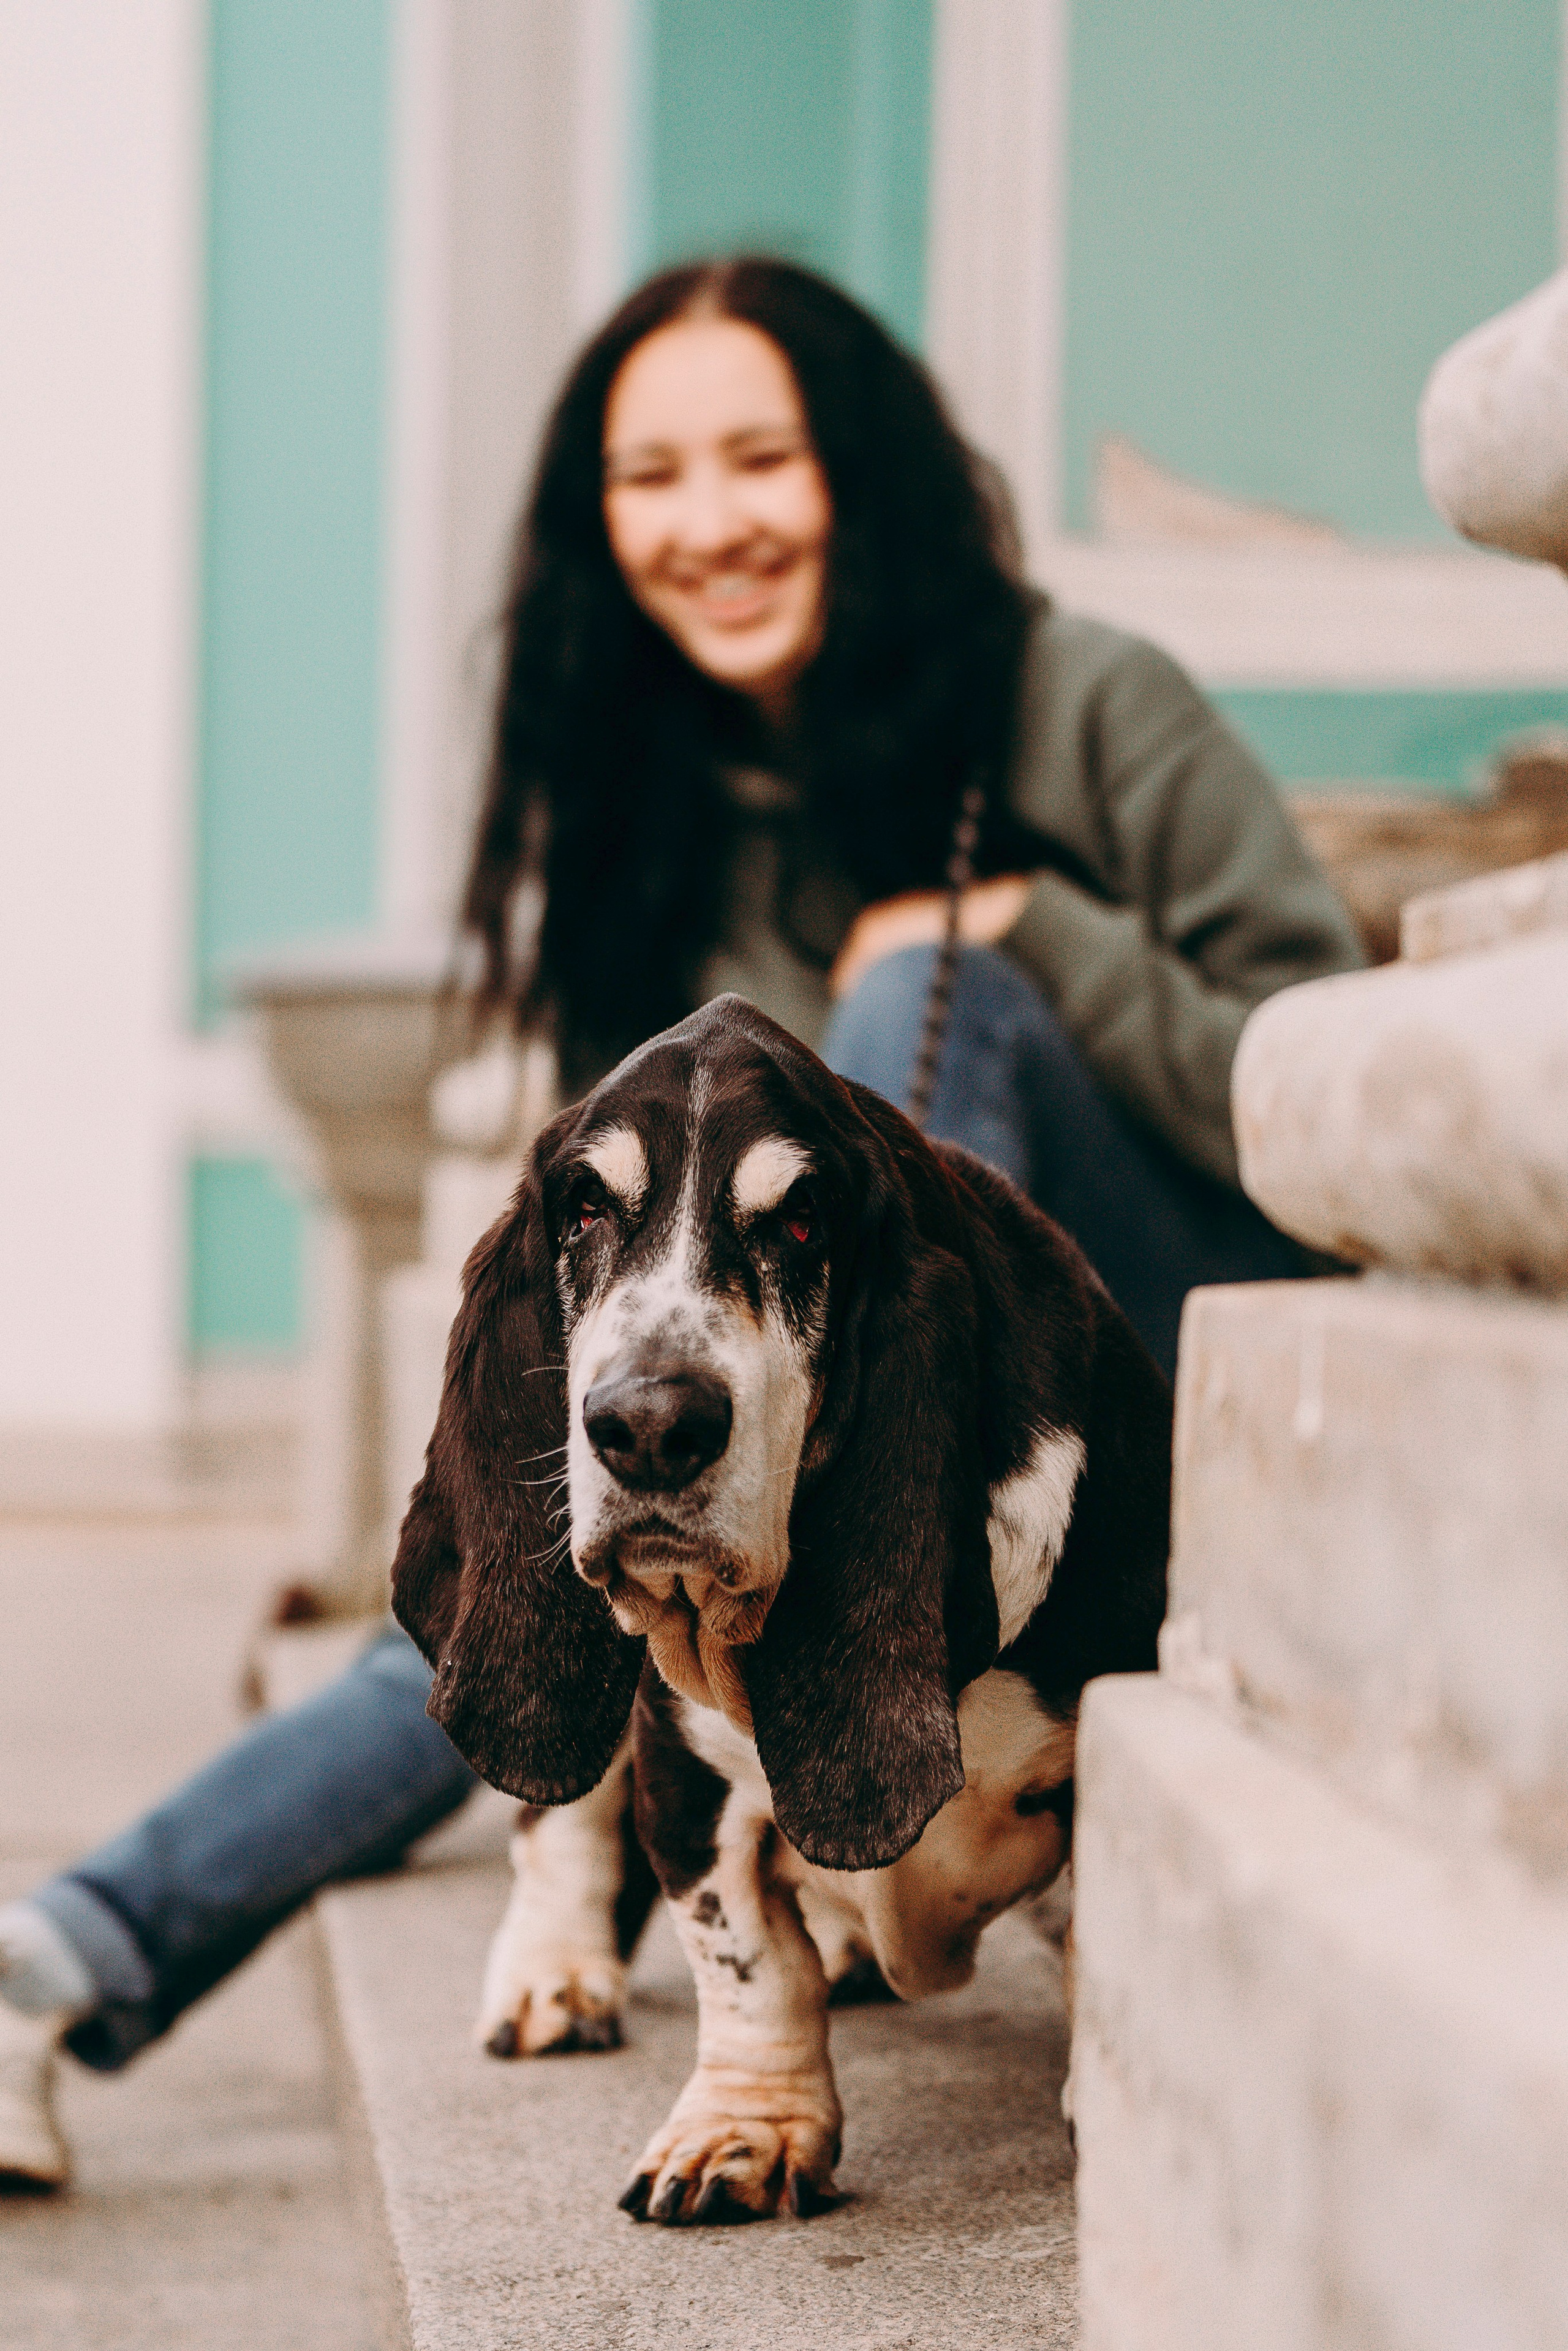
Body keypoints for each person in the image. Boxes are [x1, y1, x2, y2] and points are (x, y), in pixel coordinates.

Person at [0, 257, 1362, 2186]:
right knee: (535, 1529)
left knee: (881, 1037)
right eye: (651, 477)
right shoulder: (645, 799)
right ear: (598, 522)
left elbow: (1318, 1079)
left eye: (759, 457)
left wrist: (1024, 932)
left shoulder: (1084, 701)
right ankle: (63, 1954)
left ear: (861, 473)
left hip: (1144, 1350)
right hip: (792, 1428)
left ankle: (895, 1747)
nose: (706, 521)